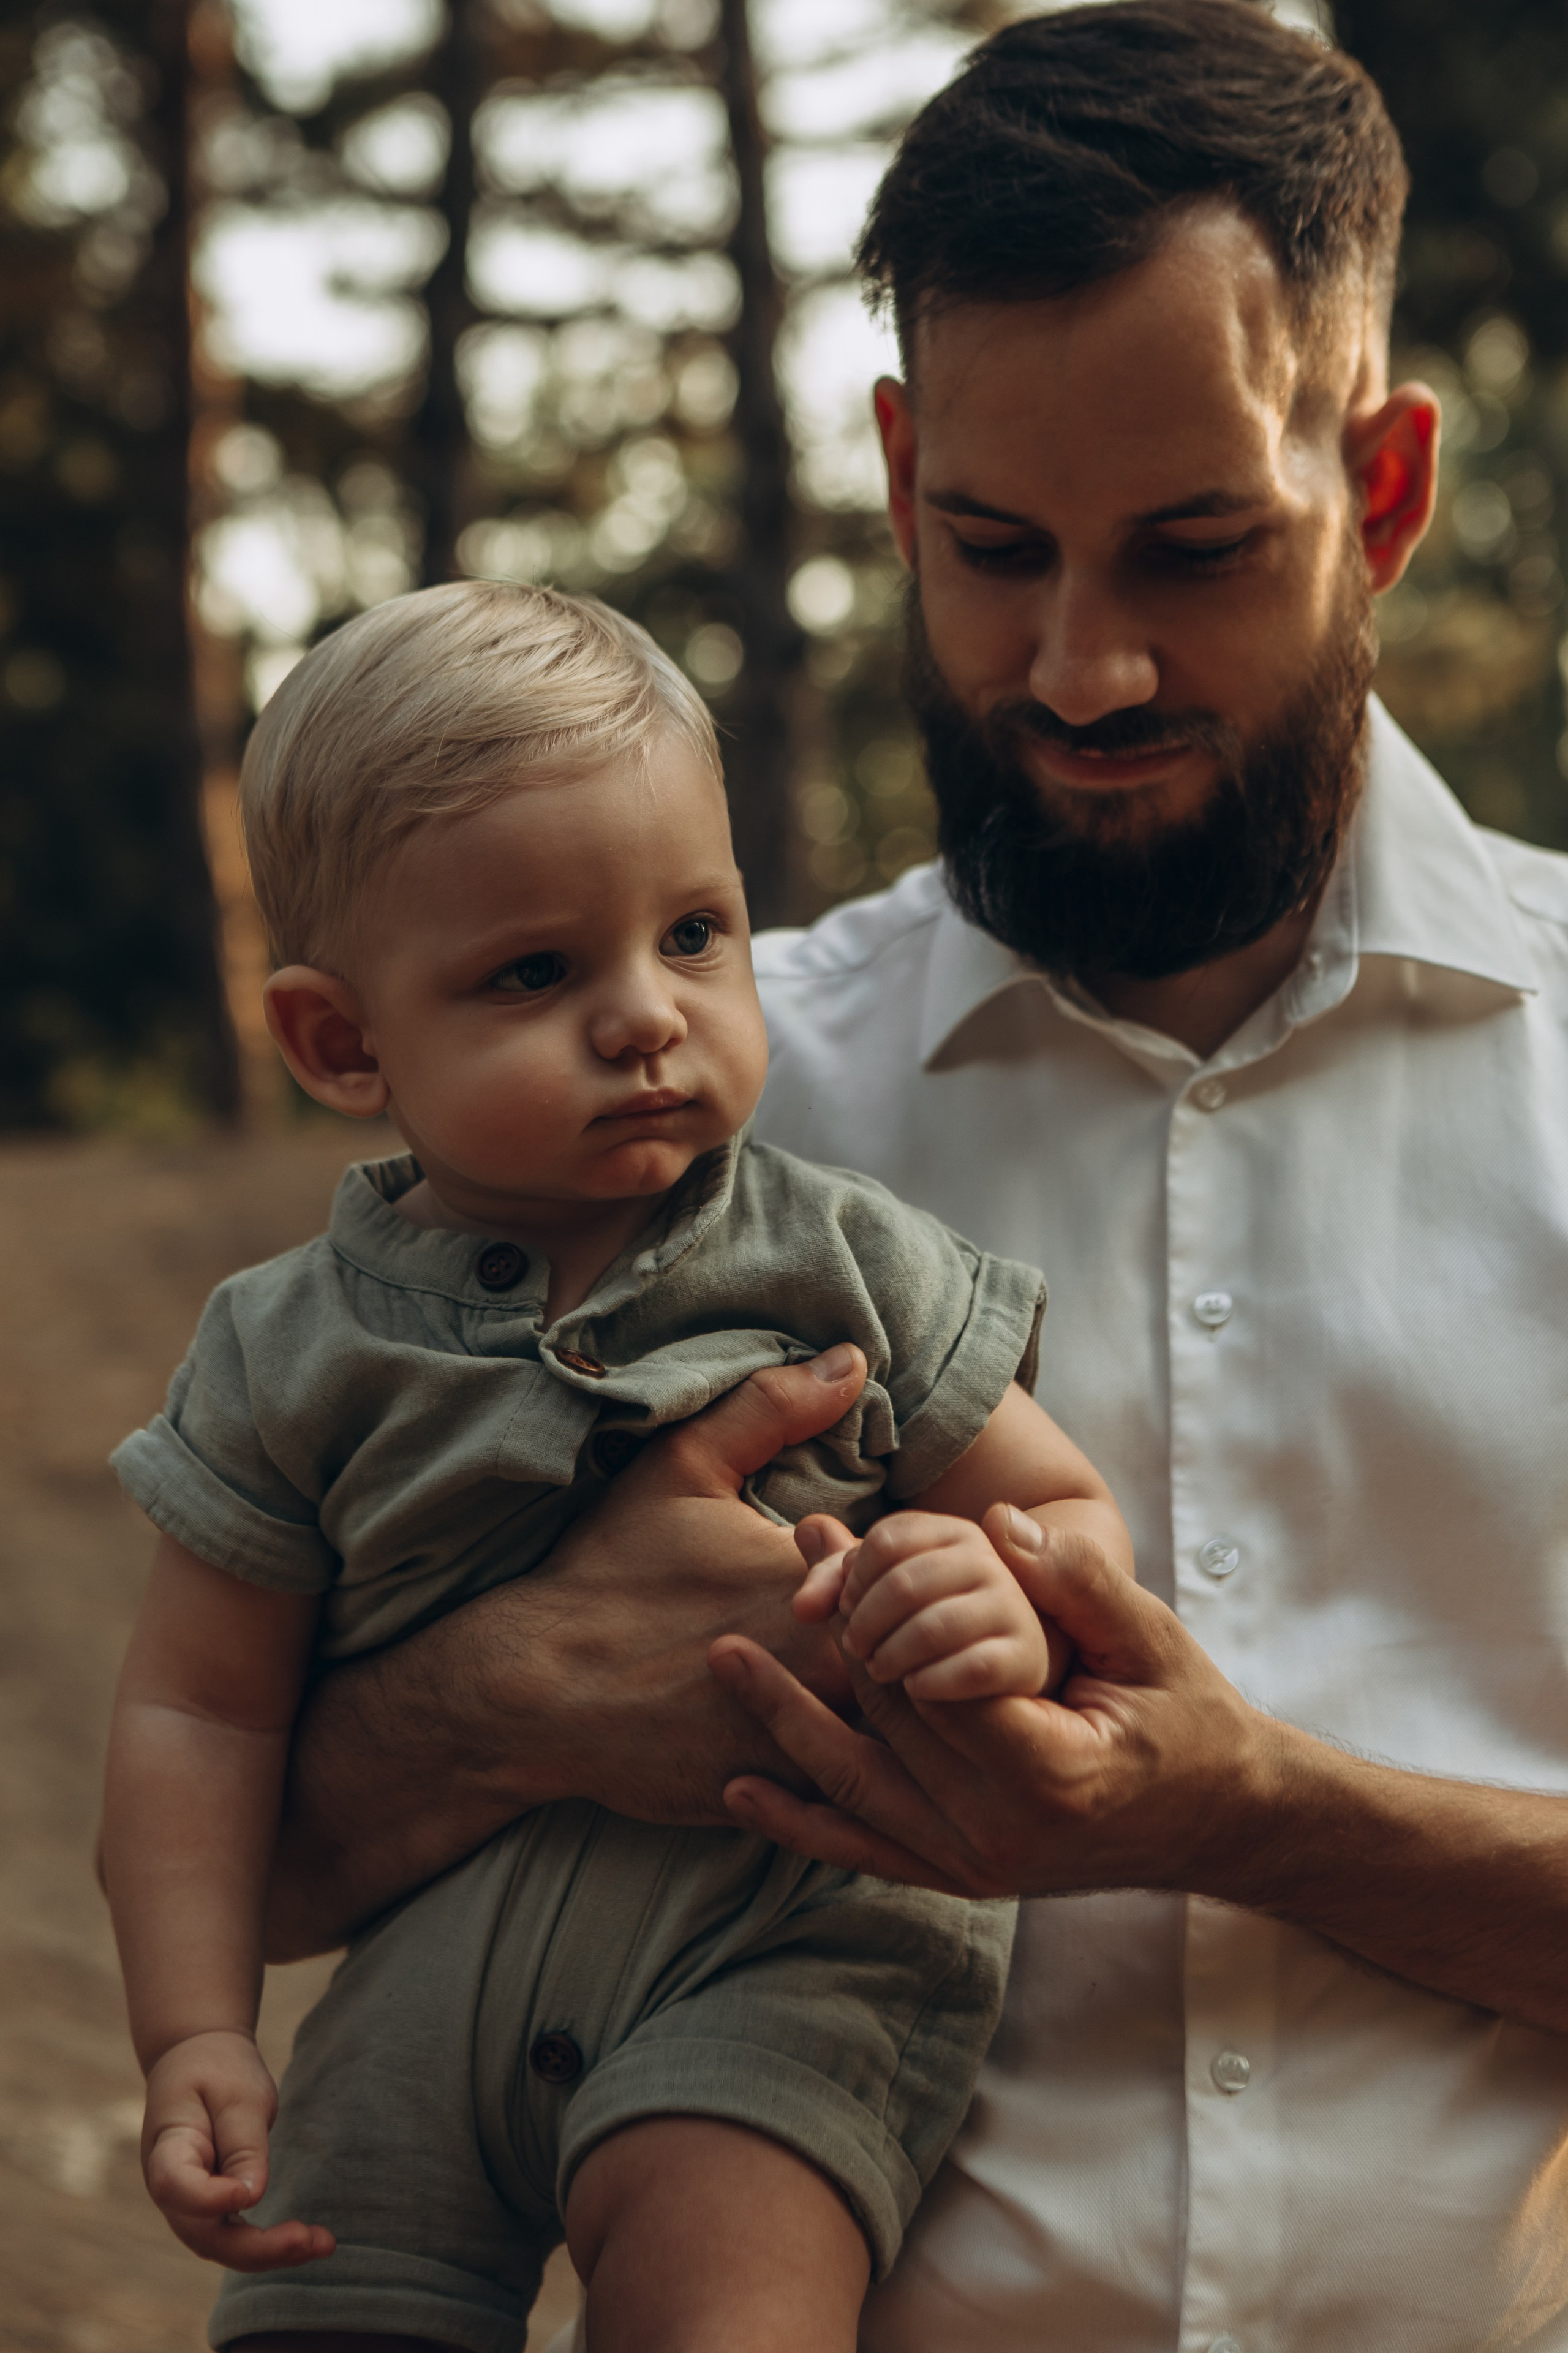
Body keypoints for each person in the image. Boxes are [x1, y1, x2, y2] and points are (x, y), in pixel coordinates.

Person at [220, 2, 1568, 2348]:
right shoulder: (658, 1107)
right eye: (993, 547)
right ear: (898, 469)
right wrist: (512, 1685)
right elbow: (250, 1862)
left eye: (1194, 549)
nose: (1083, 667)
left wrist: (1248, 1808)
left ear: (1381, 489)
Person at [100, 579, 1136, 2353]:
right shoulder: (283, 1350)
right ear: (342, 1042)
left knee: (725, 2299)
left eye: (696, 933)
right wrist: (194, 2030)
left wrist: (1004, 1599)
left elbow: (1065, 1511)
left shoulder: (845, 1258)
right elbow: (197, 1713)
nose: (647, 1014)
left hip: (786, 1947)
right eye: (536, 971)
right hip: (419, 1983)